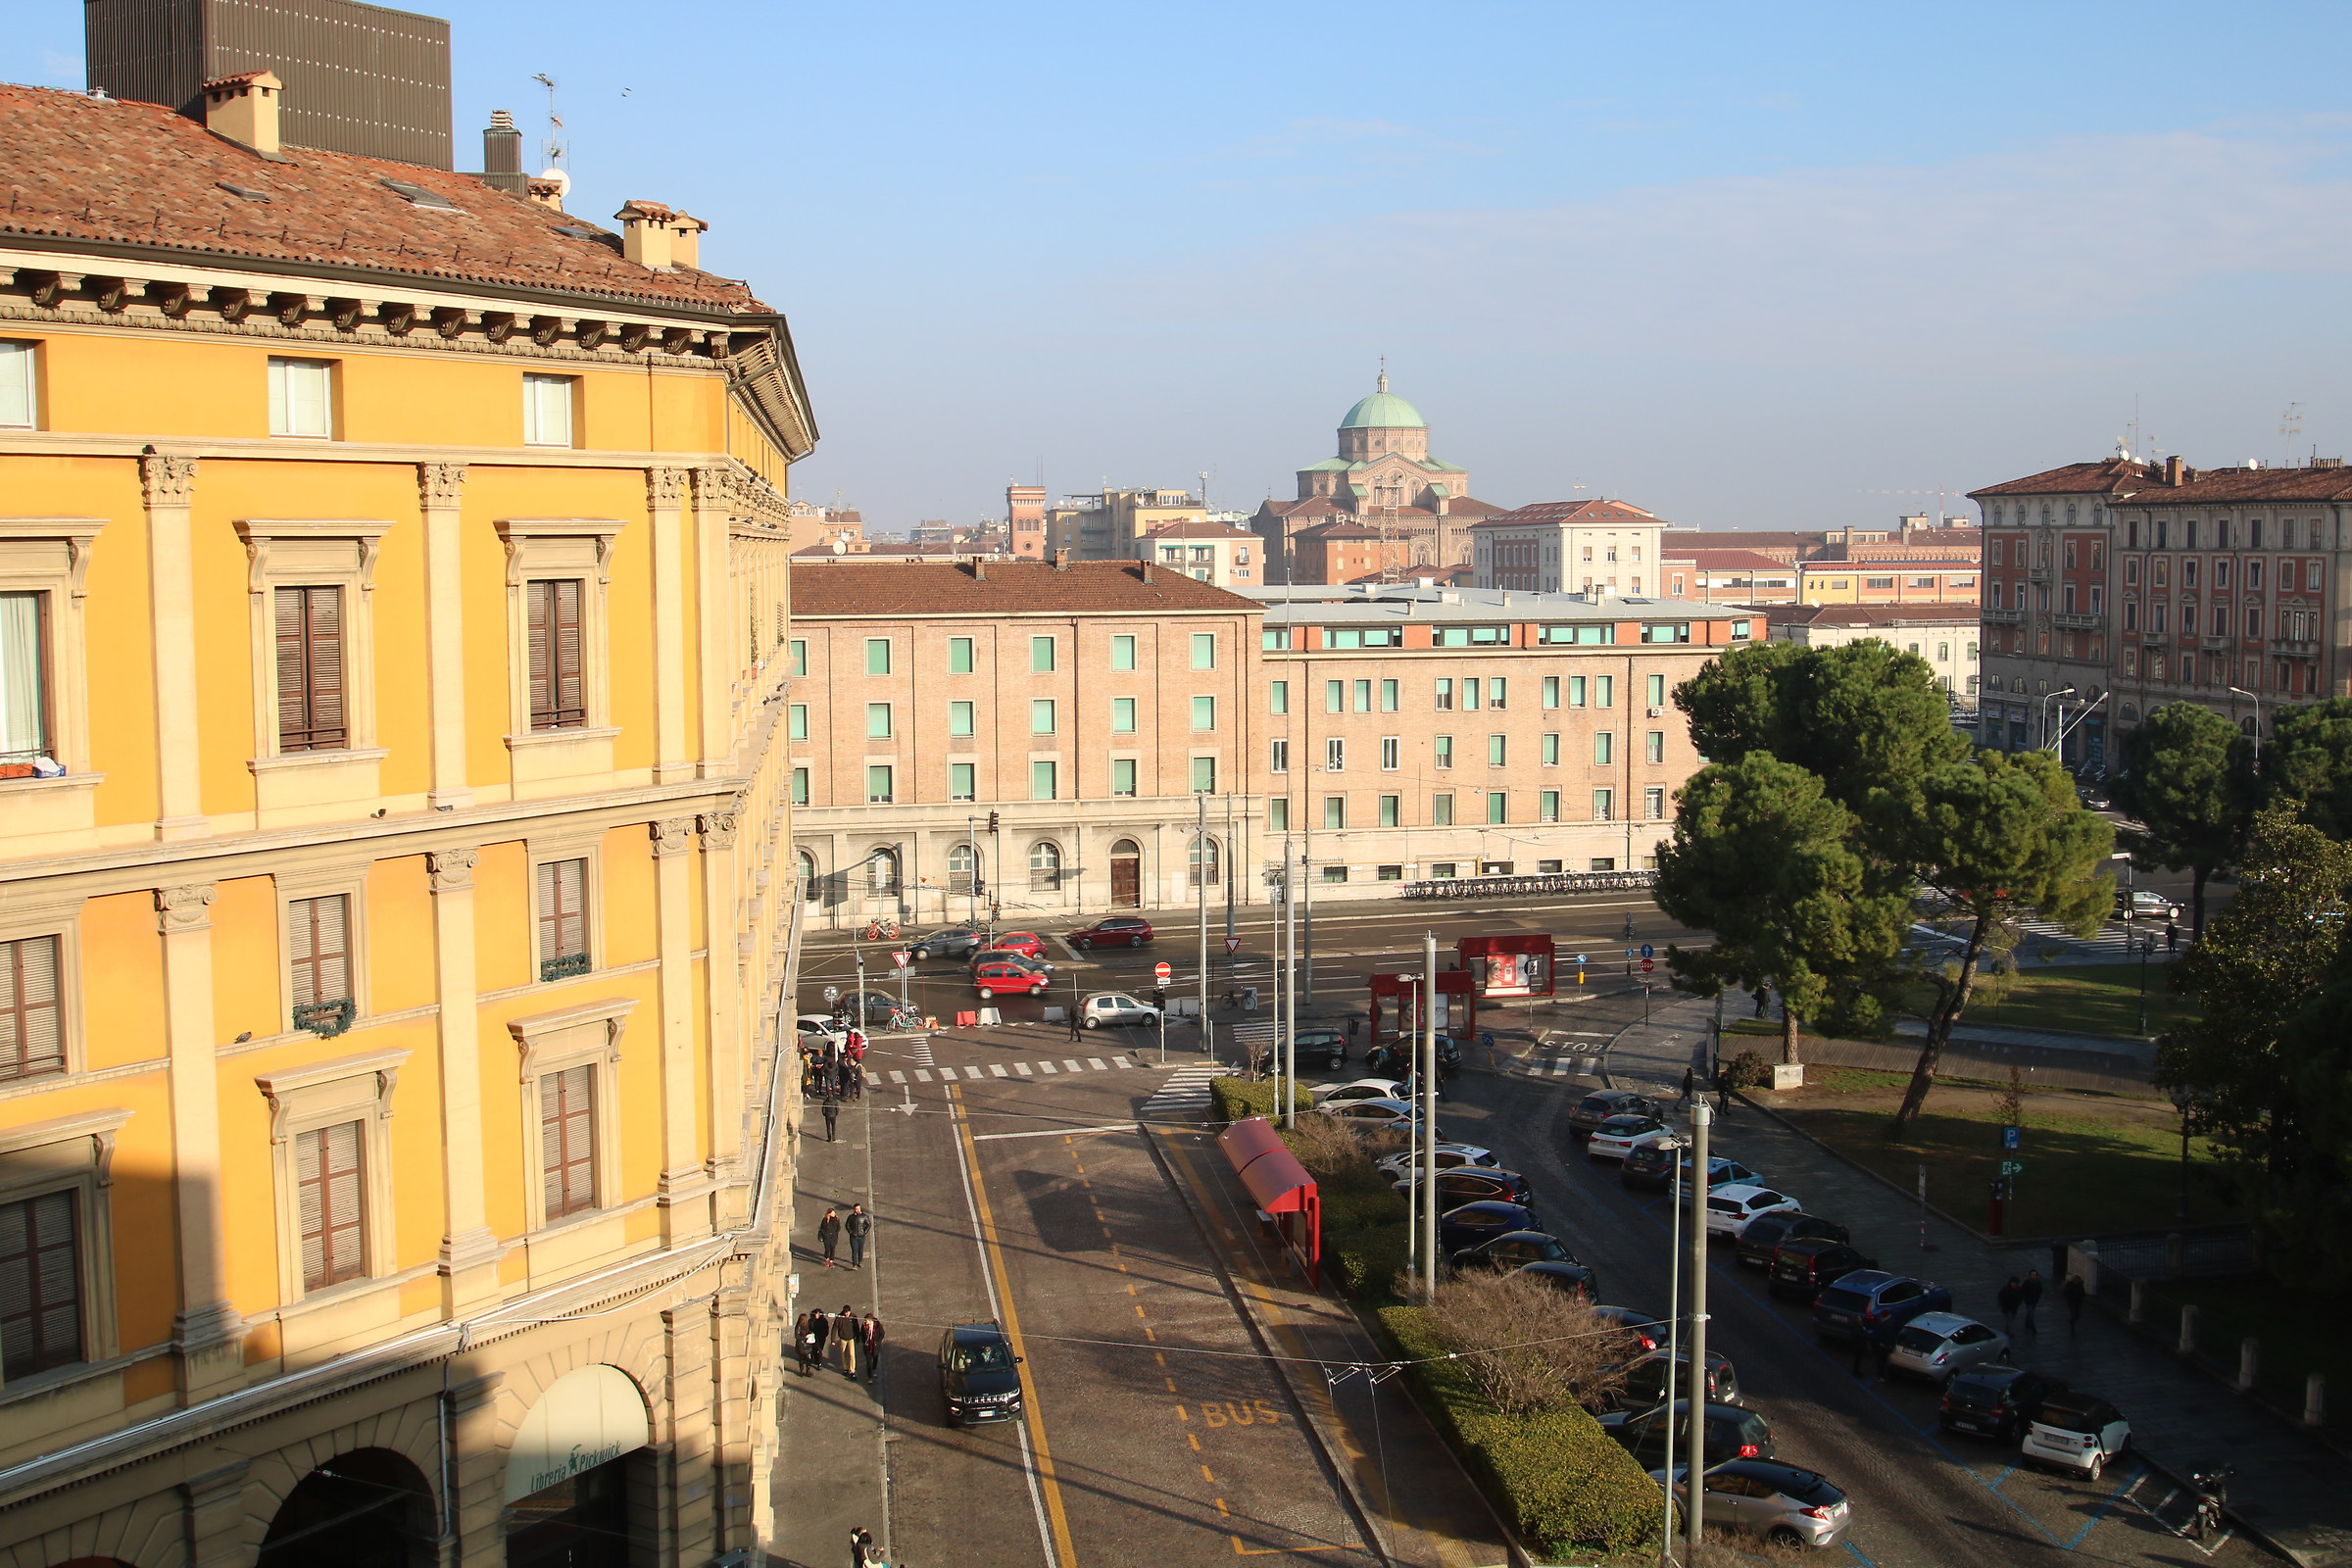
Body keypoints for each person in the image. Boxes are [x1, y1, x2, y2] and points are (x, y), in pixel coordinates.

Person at [836, 1303, 860, 1376]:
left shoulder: (853, 1316)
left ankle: (852, 1370)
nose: (846, 1314)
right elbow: (835, 1327)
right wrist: (833, 1340)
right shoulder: (839, 1317)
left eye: (848, 1312)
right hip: (843, 1338)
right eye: (845, 1312)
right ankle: (845, 1368)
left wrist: (858, 1337)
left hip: (851, 1338)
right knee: (844, 1354)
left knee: (852, 1355)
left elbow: (856, 1327)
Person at [846, 1202, 872, 1269]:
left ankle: (860, 1261)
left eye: (858, 1209)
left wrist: (864, 1232)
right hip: (853, 1236)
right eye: (856, 1209)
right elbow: (847, 1225)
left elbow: (869, 1224)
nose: (857, 1210)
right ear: (854, 1209)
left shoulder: (864, 1216)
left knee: (860, 1249)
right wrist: (850, 1232)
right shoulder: (851, 1217)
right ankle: (854, 1264)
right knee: (854, 1250)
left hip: (861, 1236)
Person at [860, 1311, 885, 1382]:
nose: (865, 1322)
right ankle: (869, 1377)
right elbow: (862, 1334)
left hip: (875, 1346)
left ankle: (874, 1369)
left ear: (870, 1320)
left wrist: (878, 1342)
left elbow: (882, 1333)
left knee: (875, 1358)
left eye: (866, 1320)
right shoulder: (864, 1326)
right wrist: (864, 1342)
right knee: (868, 1362)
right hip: (868, 1346)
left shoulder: (877, 1325)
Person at [2021, 1268, 2045, 1335]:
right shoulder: (2027, 1282)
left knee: (2030, 1312)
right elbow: (2023, 1291)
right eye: (2032, 1275)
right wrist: (2025, 1298)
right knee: (2031, 1313)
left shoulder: (2038, 1282)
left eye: (2035, 1275)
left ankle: (2027, 1323)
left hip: (2034, 1301)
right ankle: (2033, 1328)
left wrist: (2037, 1298)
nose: (2033, 1276)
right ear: (2030, 1275)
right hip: (2028, 1301)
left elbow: (2040, 1291)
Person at [808, 1306, 831, 1370]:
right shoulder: (811, 1321)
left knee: (819, 1350)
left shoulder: (823, 1321)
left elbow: (826, 1329)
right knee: (814, 1349)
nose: (817, 1315)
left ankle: (819, 1363)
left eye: (818, 1314)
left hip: (820, 1338)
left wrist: (824, 1335)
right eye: (816, 1314)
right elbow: (808, 1328)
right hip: (813, 1337)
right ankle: (815, 1359)